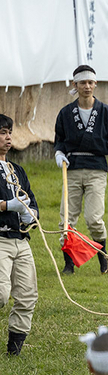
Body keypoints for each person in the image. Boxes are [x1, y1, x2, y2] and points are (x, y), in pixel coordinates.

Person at [54, 64, 108, 275]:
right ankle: (69, 264)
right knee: (67, 218)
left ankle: (103, 259)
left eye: (90, 82)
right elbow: (59, 139)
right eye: (82, 83)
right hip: (73, 168)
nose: (86, 86)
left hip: (97, 168)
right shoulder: (66, 113)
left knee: (94, 218)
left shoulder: (106, 112)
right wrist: (59, 153)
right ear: (74, 85)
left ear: (95, 84)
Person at [1, 113, 39, 355]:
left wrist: (29, 214)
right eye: (3, 133)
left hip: (21, 239)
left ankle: (14, 350)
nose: (8, 137)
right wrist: (7, 206)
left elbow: (31, 201)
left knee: (27, 296)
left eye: (9, 132)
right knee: (1, 294)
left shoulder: (17, 170)